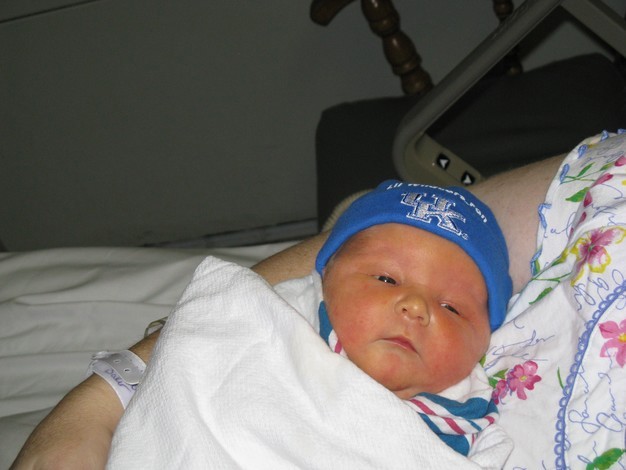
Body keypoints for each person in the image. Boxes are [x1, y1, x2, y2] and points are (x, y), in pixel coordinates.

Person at [11, 155, 564, 469]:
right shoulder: (277, 315)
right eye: (385, 279)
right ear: (324, 278)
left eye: (453, 307)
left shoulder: (479, 420)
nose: (416, 306)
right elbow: (194, 352)